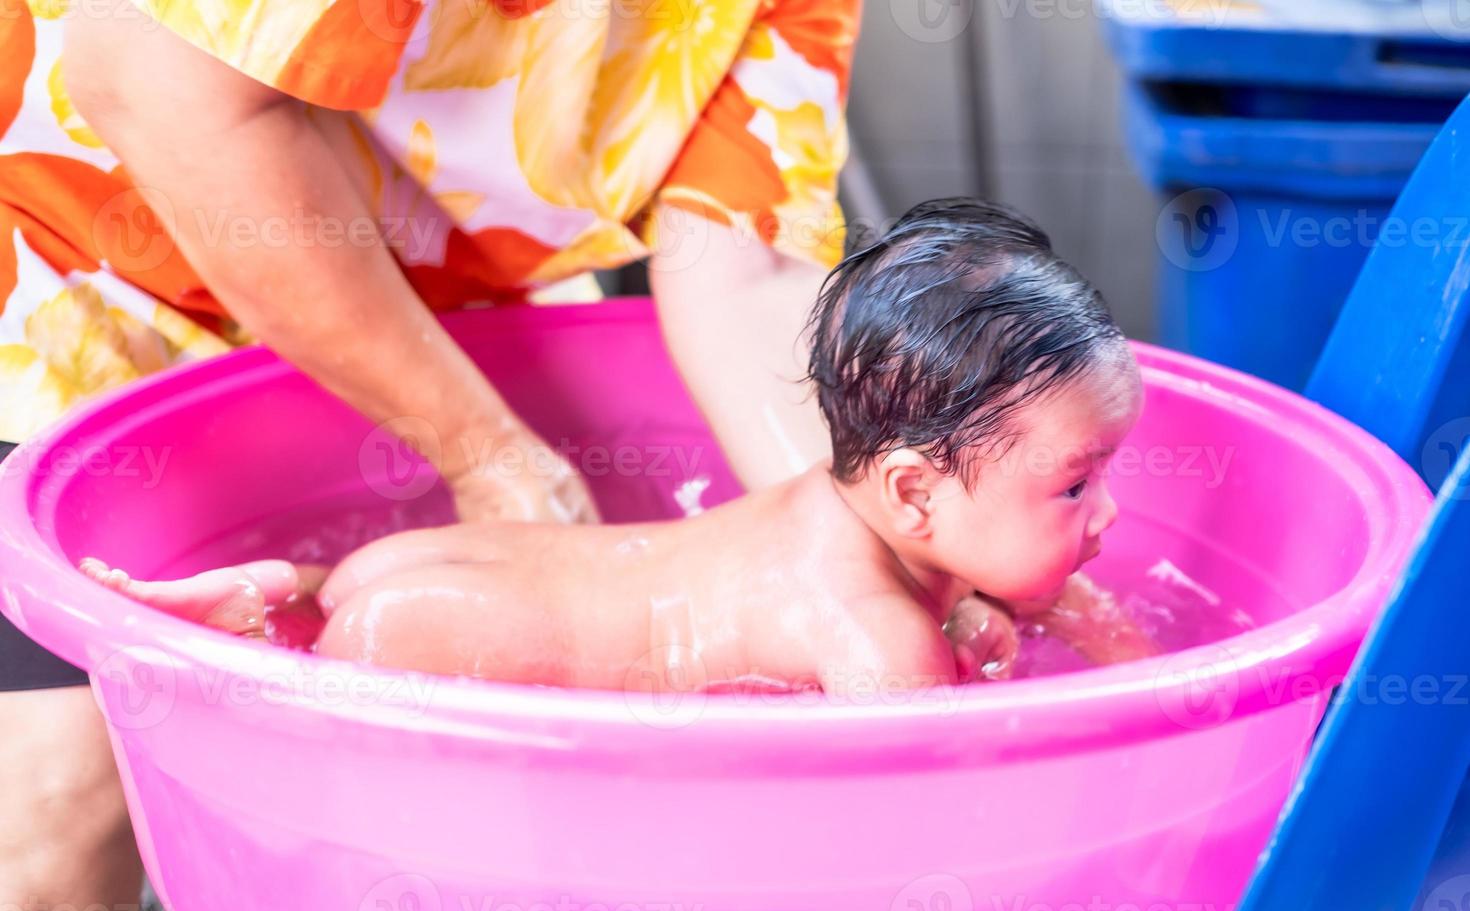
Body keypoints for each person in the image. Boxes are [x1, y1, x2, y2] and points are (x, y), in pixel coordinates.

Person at [0, 0, 858, 911]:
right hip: (72, 255)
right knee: (63, 774)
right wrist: (486, 454)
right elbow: (153, 81)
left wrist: (863, 541)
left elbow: (746, 267)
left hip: (436, 294)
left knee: (514, 734)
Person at [79, 200, 1159, 694]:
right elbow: (922, 815)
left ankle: (280, 594)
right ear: (916, 491)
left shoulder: (837, 504)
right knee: (348, 651)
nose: (1108, 512)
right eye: (1076, 482)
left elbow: (988, 581)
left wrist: (997, 598)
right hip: (451, 638)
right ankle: (291, 615)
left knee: (335, 607)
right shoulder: (881, 641)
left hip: (455, 571)